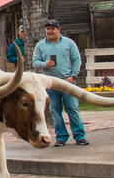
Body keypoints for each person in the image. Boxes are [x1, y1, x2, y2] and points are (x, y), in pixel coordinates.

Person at [32, 18, 88, 146]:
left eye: (53, 28)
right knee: (55, 111)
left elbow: (76, 59)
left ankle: (79, 136)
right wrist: (44, 64)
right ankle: (61, 137)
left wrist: (73, 76)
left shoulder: (68, 43)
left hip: (67, 81)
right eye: (48, 28)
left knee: (72, 108)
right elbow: (35, 62)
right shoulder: (40, 45)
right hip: (50, 83)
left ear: (58, 30)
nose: (50, 31)